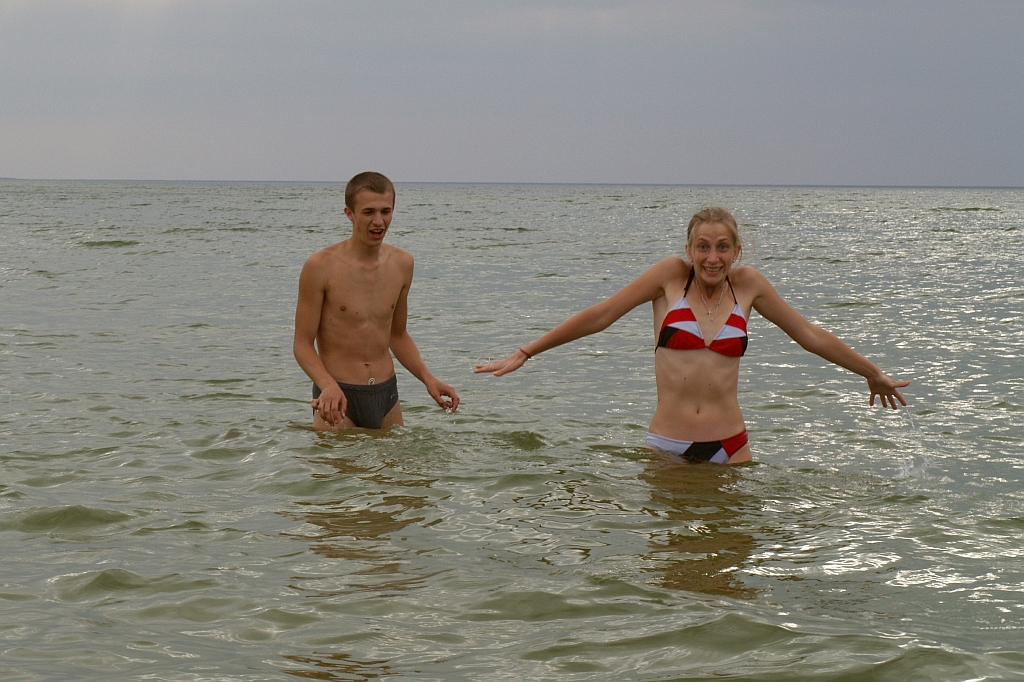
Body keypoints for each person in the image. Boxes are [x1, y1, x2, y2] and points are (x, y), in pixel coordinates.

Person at [474, 206, 908, 464]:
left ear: (736, 251)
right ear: (689, 249)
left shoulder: (750, 285)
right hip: (668, 445)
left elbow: (809, 335)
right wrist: (527, 351)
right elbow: (601, 315)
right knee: (671, 570)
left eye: (722, 247)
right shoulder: (669, 278)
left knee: (731, 569)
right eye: (703, 246)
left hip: (731, 446)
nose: (712, 257)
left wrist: (870, 372)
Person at [294, 172, 459, 430]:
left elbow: (398, 335)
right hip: (338, 397)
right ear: (349, 213)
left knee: (400, 459)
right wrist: (327, 385)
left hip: (386, 395)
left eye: (386, 211)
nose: (379, 221)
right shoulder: (320, 266)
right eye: (369, 212)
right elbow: (302, 343)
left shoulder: (403, 264)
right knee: (336, 459)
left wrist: (428, 379)